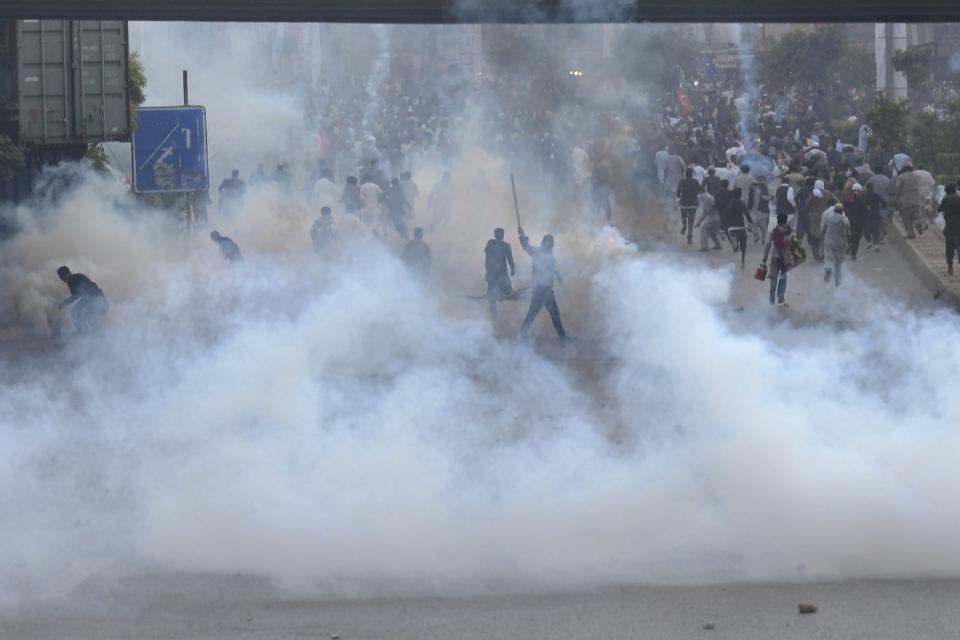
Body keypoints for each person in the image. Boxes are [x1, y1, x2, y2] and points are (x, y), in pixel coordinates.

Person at [518, 226, 565, 338]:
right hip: (539, 290)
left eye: (551, 243)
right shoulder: (536, 252)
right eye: (548, 243)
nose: (549, 245)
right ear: (543, 242)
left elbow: (549, 267)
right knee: (532, 315)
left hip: (547, 290)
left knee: (554, 316)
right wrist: (522, 235)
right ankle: (521, 336)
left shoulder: (549, 253)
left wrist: (557, 274)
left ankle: (563, 339)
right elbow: (526, 246)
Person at [56, 266, 108, 333]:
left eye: (62, 275)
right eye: (60, 276)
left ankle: (86, 332)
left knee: (77, 312)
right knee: (79, 312)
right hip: (96, 299)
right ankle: (88, 332)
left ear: (68, 273)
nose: (61, 278)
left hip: (96, 300)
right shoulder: (74, 278)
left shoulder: (73, 280)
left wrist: (63, 304)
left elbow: (75, 296)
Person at [760, 214, 795, 306]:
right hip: (785, 257)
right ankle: (780, 296)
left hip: (775, 257)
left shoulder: (773, 231)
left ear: (778, 221)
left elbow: (767, 244)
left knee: (773, 276)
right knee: (783, 276)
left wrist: (765, 257)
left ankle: (772, 294)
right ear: (786, 221)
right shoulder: (790, 231)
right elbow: (795, 243)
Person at [485, 227, 516, 320]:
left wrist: (512, 269)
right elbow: (487, 257)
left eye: (501, 235)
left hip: (502, 274)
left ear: (503, 235)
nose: (500, 236)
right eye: (498, 235)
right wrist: (487, 273)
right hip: (492, 274)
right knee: (491, 298)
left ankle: (501, 296)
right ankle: (494, 318)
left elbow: (510, 258)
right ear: (495, 235)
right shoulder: (491, 243)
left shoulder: (506, 246)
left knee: (509, 292)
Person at [720, 187, 753, 268]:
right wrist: (750, 222)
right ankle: (742, 262)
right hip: (741, 227)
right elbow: (747, 214)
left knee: (734, 239)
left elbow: (724, 217)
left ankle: (734, 242)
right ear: (740, 195)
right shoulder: (742, 203)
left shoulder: (728, 204)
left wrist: (722, 230)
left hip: (731, 228)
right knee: (744, 246)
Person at [806, 180, 836, 262]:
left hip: (814, 216)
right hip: (825, 216)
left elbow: (807, 203)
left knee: (814, 235)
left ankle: (815, 253)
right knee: (822, 235)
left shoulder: (813, 193)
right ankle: (821, 253)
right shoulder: (828, 193)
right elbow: (836, 202)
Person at [821, 204, 850, 286]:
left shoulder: (829, 218)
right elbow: (847, 225)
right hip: (840, 242)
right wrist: (848, 233)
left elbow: (823, 229)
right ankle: (838, 280)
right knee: (838, 262)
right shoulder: (843, 218)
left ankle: (828, 268)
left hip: (829, 241)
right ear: (842, 211)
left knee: (829, 257)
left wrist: (823, 235)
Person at [895, 162, 924, 238]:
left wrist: (897, 198)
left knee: (906, 218)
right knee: (917, 216)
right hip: (916, 199)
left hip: (906, 200)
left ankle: (910, 233)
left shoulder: (901, 177)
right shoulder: (917, 176)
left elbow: (897, 188)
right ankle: (918, 223)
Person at [938, 183, 960, 276]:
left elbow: (939, 209)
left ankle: (950, 269)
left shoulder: (946, 199)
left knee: (949, 247)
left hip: (950, 226)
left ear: (946, 191)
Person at [676, 167, 701, 245]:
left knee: (683, 215)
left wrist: (679, 196)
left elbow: (678, 191)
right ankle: (689, 237)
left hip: (684, 203)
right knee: (691, 222)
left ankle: (684, 224)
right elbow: (701, 190)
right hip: (693, 203)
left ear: (685, 174)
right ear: (692, 174)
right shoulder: (696, 181)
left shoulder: (682, 181)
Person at [845, 183, 866, 259]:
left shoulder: (849, 197)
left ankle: (850, 243)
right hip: (860, 221)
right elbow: (865, 208)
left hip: (850, 219)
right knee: (857, 237)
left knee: (850, 234)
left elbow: (845, 205)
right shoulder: (862, 198)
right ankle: (853, 254)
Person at [863, 181, 885, 252]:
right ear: (873, 188)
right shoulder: (876, 195)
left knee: (867, 229)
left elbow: (862, 205)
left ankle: (868, 242)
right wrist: (881, 207)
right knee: (876, 230)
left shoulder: (864, 196)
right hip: (876, 214)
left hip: (867, 215)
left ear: (867, 188)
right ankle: (876, 245)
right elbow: (884, 203)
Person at [752, 174, 771, 243]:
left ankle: (764, 238)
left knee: (763, 225)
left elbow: (771, 197)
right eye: (759, 180)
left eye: (761, 180)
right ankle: (756, 236)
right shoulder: (753, 188)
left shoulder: (766, 188)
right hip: (754, 209)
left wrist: (764, 197)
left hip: (763, 209)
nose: (760, 181)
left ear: (764, 181)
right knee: (753, 223)